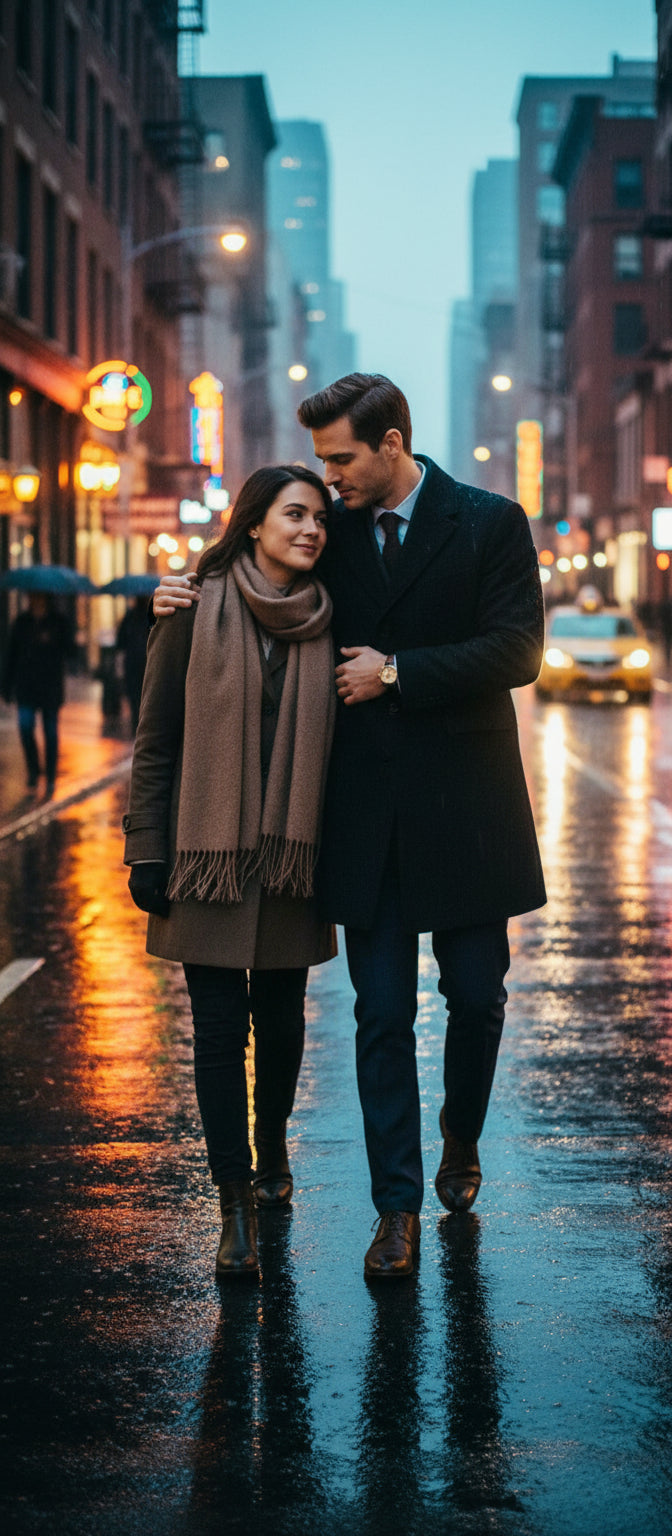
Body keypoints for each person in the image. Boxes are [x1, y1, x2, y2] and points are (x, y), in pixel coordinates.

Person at [155, 374, 547, 1281]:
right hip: (365, 816)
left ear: (392, 444)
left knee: (478, 998)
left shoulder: (490, 520)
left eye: (340, 459)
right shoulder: (332, 537)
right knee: (381, 1014)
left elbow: (518, 650)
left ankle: (460, 1134)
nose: (328, 479)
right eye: (322, 463)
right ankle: (395, 1210)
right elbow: (264, 579)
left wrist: (397, 671)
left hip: (469, 809)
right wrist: (184, 591)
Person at [124, 465, 337, 1280]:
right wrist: (147, 845)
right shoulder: (190, 609)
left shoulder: (330, 614)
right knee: (218, 1034)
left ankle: (272, 1143)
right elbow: (156, 738)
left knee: (281, 1024)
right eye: (295, 514)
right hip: (205, 857)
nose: (311, 529)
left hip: (290, 858)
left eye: (320, 518)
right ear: (253, 523)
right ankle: (233, 1203)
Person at [1, 591, 74, 795]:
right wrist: (6, 687)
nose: (35, 599)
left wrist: (54, 639)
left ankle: (50, 776)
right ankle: (33, 770)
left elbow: (71, 651)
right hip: (26, 687)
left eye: (39, 596)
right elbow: (11, 654)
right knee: (25, 727)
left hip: (50, 688)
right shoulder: (22, 622)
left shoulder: (58, 622)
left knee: (50, 733)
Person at [115, 596, 149, 733]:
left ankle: (136, 726)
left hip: (132, 663)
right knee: (144, 696)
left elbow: (120, 643)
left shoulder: (129, 618)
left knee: (134, 697)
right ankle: (141, 725)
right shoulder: (151, 616)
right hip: (146, 663)